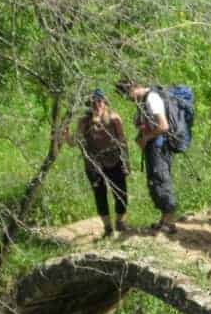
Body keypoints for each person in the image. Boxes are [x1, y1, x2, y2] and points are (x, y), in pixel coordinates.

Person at [62, 89, 129, 238]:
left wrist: (126, 163)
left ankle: (120, 221)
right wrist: (66, 136)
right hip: (94, 164)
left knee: (121, 193)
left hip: (114, 160)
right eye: (93, 102)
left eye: (100, 101)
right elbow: (74, 142)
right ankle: (108, 228)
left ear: (105, 103)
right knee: (100, 195)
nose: (97, 105)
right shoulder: (84, 122)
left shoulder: (114, 118)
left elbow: (123, 142)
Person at [117, 79, 178, 234]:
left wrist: (146, 138)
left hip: (159, 147)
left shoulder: (151, 98)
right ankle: (164, 220)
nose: (127, 99)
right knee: (155, 182)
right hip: (153, 146)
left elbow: (163, 125)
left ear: (133, 88)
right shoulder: (143, 101)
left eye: (126, 94)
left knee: (162, 181)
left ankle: (170, 222)